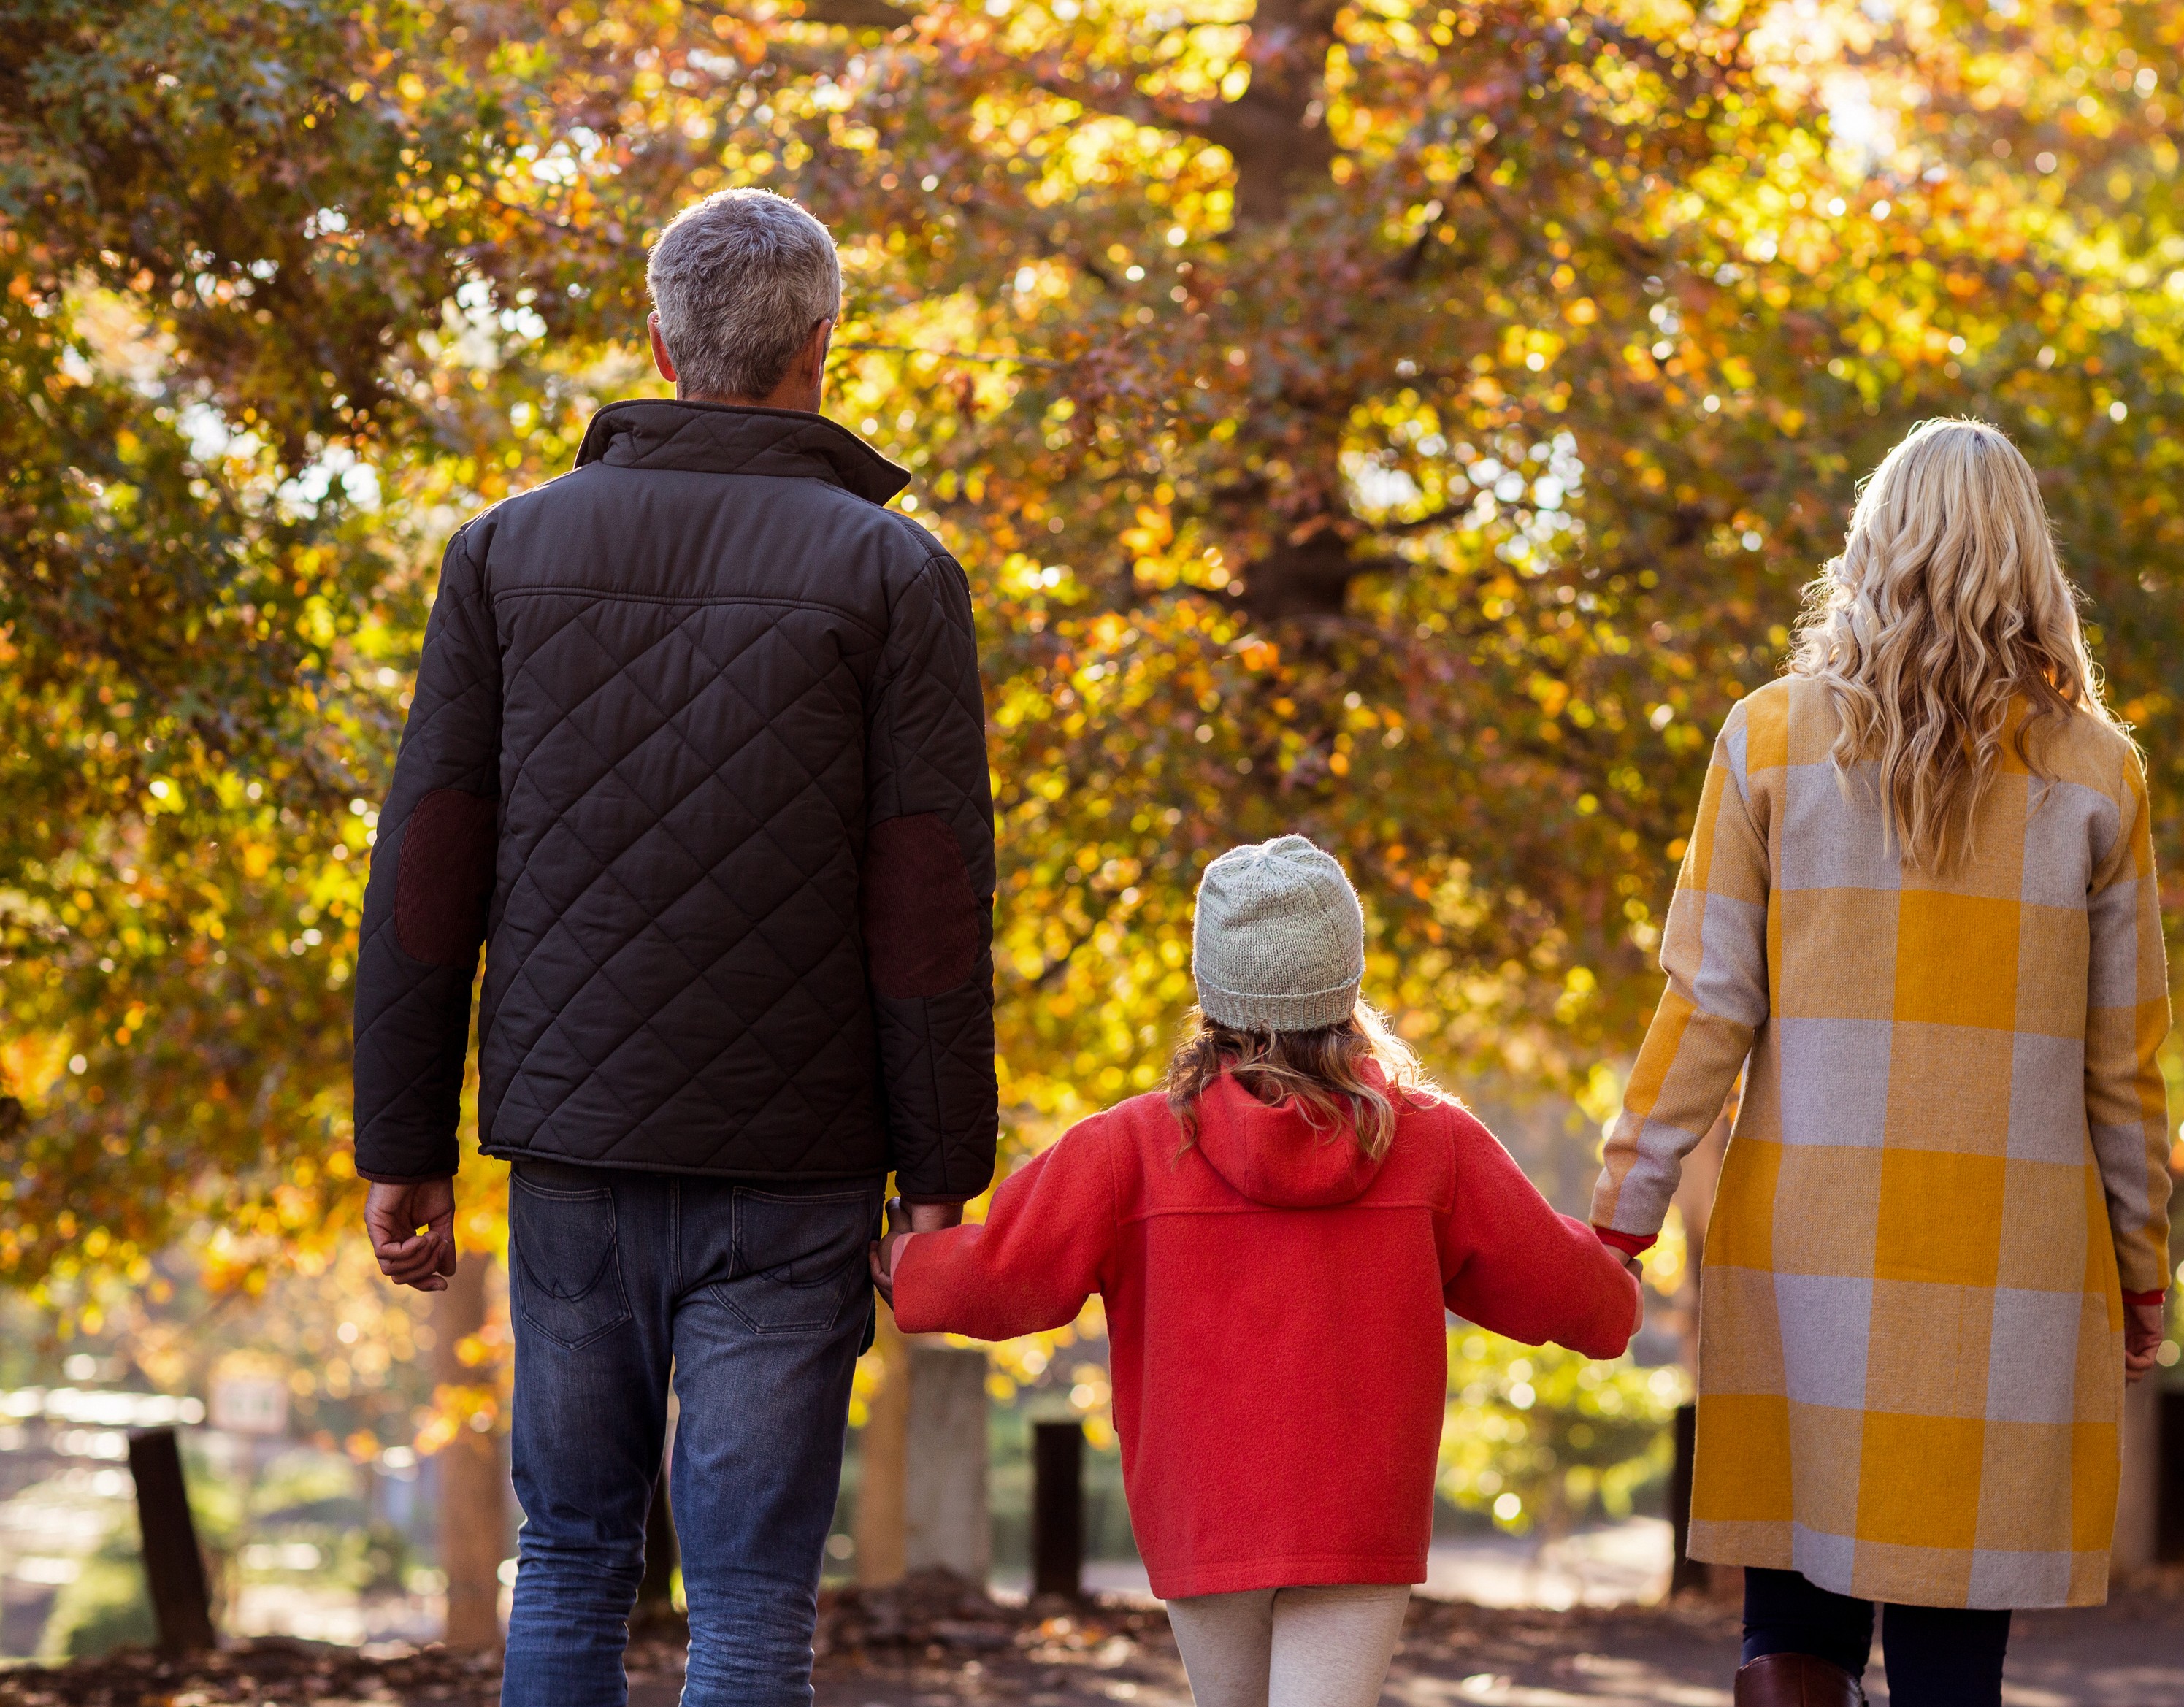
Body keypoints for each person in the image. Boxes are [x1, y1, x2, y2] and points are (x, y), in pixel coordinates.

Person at [352, 188, 998, 1707]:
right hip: (801, 1157)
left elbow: (428, 863)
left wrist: (403, 1137)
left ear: (656, 341)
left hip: (573, 1143)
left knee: (569, 1556)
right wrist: (939, 1176)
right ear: (819, 351)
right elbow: (926, 899)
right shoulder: (895, 575)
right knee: (755, 1598)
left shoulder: (503, 553)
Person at [1588, 418, 2172, 1707]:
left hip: (1810, 1254)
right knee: (1953, 1660)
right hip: (2010, 1262)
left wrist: (1622, 1210)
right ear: (2031, 560)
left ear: (1868, 548)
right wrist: (2140, 1272)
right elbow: (2122, 1070)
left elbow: (1705, 1006)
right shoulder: (2097, 776)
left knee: (1791, 1629)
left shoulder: (1769, 739)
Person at [881, 835, 1640, 1707]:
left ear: (1213, 993)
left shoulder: (1127, 1149)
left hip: (1202, 1514)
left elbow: (1000, 1274)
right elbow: (1570, 1293)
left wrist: (906, 1262)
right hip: (1360, 1515)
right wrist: (1617, 1286)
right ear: (1346, 979)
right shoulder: (1434, 1143)